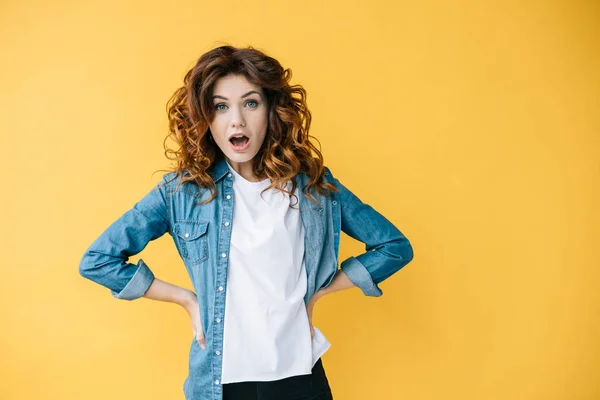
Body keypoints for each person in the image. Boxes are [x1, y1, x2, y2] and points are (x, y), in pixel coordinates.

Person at [79, 44, 414, 400]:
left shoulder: (313, 186)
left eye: (250, 103)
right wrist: (187, 300)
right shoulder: (182, 192)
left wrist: (318, 292)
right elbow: (98, 260)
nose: (236, 119)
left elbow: (393, 247)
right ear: (206, 119)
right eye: (221, 107)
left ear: (272, 111)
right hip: (221, 382)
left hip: (300, 375)